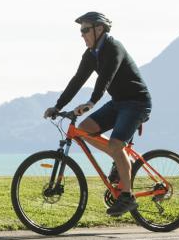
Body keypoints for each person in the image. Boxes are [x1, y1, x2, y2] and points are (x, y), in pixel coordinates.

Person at [43, 12, 152, 216]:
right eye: (81, 31)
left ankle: (127, 196)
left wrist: (91, 102)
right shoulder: (91, 54)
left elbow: (106, 79)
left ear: (99, 29)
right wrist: (58, 106)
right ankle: (121, 159)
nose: (82, 35)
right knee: (84, 129)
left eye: (85, 30)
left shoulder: (113, 48)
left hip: (136, 103)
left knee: (115, 144)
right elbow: (77, 80)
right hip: (118, 103)